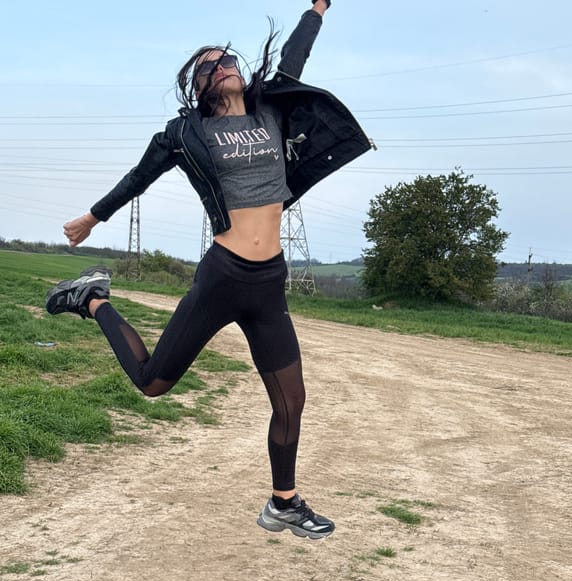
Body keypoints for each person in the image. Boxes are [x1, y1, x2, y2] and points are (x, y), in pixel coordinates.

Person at [45, 0, 373, 540]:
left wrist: (317, 7)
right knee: (152, 383)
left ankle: (283, 503)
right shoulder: (186, 133)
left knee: (292, 399)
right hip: (223, 277)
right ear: (197, 88)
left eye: (227, 59)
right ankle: (92, 299)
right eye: (209, 66)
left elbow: (296, 53)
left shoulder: (270, 108)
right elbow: (139, 177)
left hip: (269, 282)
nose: (223, 66)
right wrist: (92, 217)